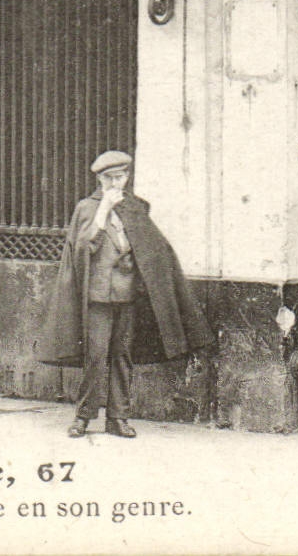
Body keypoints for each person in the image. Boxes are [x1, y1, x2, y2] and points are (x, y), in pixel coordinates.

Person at [38, 150, 213, 438]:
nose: (115, 183)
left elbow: (153, 249)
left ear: (127, 177)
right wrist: (103, 212)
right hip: (98, 298)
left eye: (120, 177)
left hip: (127, 296)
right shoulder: (86, 209)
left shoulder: (137, 208)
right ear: (99, 179)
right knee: (95, 357)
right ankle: (83, 416)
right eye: (109, 178)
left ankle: (118, 418)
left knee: (122, 356)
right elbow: (83, 249)